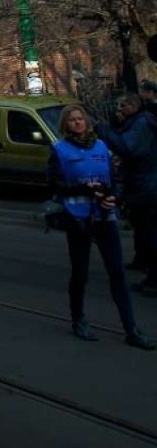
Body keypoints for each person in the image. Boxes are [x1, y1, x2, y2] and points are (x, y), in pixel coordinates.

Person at [48, 102, 154, 348]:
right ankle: (79, 319)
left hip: (104, 216)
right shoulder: (59, 150)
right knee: (80, 272)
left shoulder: (101, 146)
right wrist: (84, 189)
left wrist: (113, 196)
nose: (78, 122)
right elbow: (55, 185)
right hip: (78, 218)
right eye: (73, 119)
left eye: (81, 118)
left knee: (117, 273)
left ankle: (131, 329)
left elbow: (116, 178)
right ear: (65, 124)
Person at [100, 92, 157, 298]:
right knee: (141, 226)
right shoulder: (137, 122)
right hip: (141, 185)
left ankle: (154, 278)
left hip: (147, 187)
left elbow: (128, 147)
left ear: (134, 107)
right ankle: (142, 260)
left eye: (123, 106)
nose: (119, 110)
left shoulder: (141, 123)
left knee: (149, 230)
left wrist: (105, 132)